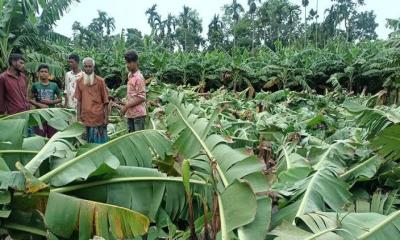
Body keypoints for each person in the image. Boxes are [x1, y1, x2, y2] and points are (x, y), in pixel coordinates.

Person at [74, 57, 109, 143]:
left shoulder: (100, 81)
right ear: (83, 67)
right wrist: (78, 118)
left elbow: (105, 101)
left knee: (99, 145)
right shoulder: (79, 81)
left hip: (98, 119)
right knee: (86, 145)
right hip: (85, 119)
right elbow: (79, 101)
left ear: (93, 67)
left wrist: (106, 118)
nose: (88, 69)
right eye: (86, 66)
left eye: (90, 66)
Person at [112, 50, 146, 132]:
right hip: (130, 114)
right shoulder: (130, 75)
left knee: (138, 140)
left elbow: (142, 97)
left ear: (136, 62)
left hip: (138, 115)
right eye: (126, 62)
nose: (127, 65)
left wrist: (126, 106)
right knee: (131, 139)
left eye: (130, 62)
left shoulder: (139, 78)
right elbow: (132, 95)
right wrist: (122, 102)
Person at [29, 64, 61, 138]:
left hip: (52, 115)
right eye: (41, 71)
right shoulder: (35, 85)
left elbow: (60, 99)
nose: (43, 73)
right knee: (40, 137)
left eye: (46, 72)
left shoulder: (54, 85)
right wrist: (39, 105)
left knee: (52, 136)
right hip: (39, 115)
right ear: (38, 73)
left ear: (49, 74)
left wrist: (51, 102)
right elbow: (29, 98)